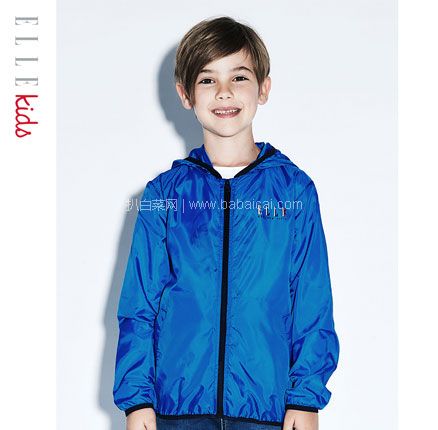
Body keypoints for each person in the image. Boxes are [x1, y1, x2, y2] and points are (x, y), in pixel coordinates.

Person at [113, 15, 340, 430]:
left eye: (239, 77)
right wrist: (137, 401)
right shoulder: (164, 194)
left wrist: (306, 399)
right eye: (207, 79)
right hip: (176, 412)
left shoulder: (294, 191)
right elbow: (139, 306)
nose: (224, 92)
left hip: (267, 413)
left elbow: (312, 301)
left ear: (263, 88)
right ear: (185, 94)